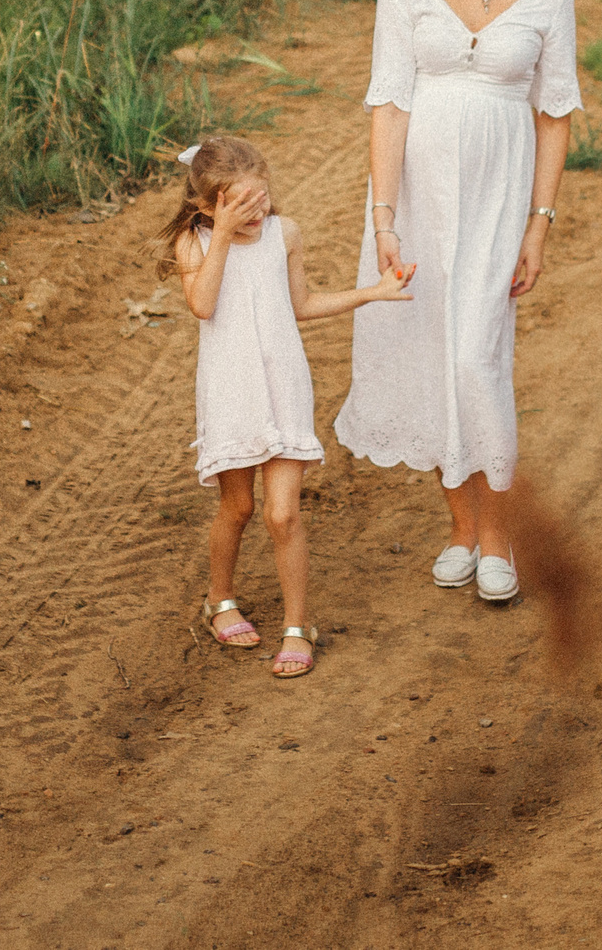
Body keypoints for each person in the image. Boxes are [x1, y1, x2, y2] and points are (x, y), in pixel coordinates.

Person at [337, 0, 581, 604]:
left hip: (499, 203)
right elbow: (389, 104)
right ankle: (460, 529)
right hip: (419, 202)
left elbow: (554, 113)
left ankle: (499, 531)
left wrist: (538, 226)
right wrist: (383, 216)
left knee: (478, 359)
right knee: (432, 353)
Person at [162, 135, 414, 679]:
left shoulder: (286, 234)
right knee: (238, 508)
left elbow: (300, 305)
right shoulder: (195, 242)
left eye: (262, 199)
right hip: (231, 391)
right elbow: (202, 305)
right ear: (207, 207)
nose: (257, 213)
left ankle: (299, 626)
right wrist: (223, 237)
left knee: (283, 513)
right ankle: (219, 599)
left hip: (284, 386)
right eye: (239, 206)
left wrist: (371, 293)